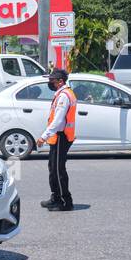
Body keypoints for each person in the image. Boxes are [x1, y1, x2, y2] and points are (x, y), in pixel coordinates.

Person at [37, 68, 77, 212]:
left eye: (52, 80)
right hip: (59, 137)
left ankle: (66, 202)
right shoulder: (61, 94)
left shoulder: (64, 96)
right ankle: (56, 197)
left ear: (60, 81)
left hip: (62, 136)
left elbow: (58, 120)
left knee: (58, 170)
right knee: (53, 168)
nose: (50, 83)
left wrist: (44, 136)